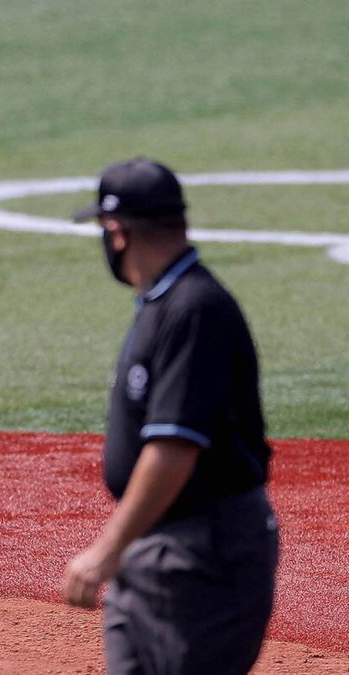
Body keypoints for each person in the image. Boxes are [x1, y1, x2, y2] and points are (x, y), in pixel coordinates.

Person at [62, 158, 279, 674]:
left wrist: (105, 550)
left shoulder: (193, 309)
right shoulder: (162, 303)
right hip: (160, 548)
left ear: (116, 233)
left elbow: (174, 449)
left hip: (202, 555)